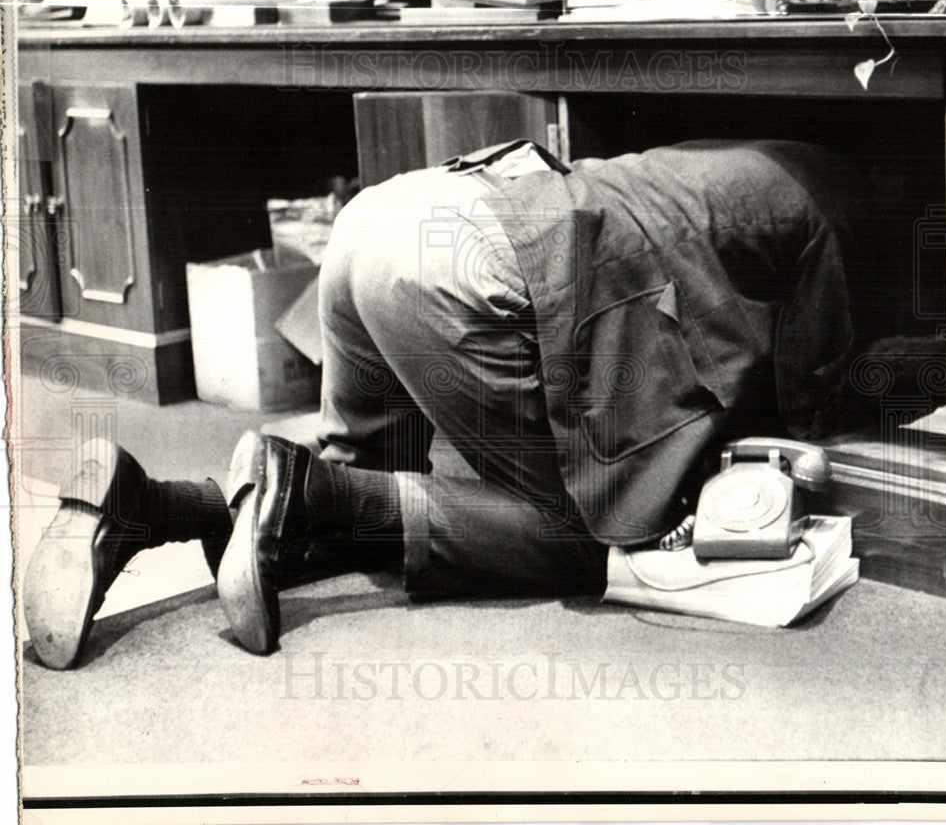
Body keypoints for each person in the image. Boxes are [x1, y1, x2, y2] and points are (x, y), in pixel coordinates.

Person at [23, 138, 855, 669]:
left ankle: (151, 506)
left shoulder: (725, 156)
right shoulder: (830, 211)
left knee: (364, 479)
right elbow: (804, 388)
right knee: (582, 529)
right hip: (469, 265)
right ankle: (291, 488)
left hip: (379, 222)